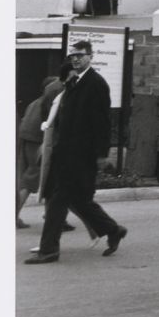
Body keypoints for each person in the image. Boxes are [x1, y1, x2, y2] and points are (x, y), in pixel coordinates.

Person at [25, 40, 126, 264]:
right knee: (79, 201)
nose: (76, 59)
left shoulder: (96, 84)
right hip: (65, 153)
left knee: (58, 200)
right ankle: (113, 229)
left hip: (82, 155)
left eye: (80, 55)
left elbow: (102, 122)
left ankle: (49, 250)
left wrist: (102, 154)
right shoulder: (73, 83)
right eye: (73, 56)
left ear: (91, 56)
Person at [15, 76, 60, 228]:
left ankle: (51, 216)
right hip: (38, 142)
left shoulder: (34, 102)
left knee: (32, 177)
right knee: (32, 179)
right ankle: (12, 216)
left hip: (26, 139)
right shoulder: (50, 104)